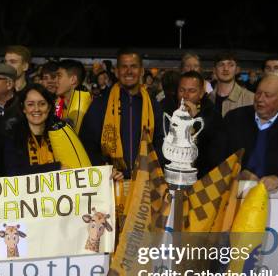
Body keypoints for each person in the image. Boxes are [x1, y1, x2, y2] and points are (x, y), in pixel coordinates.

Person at [210, 73, 278, 191]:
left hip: (277, 198)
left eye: (267, 95)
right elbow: (216, 156)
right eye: (258, 93)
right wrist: (238, 172)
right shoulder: (234, 118)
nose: (260, 99)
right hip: (233, 191)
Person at [79, 48, 164, 181]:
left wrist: (150, 169)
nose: (129, 71)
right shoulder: (100, 105)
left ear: (141, 71)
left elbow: (161, 143)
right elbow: (87, 145)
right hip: (111, 182)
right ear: (117, 72)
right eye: (124, 67)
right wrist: (104, 170)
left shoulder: (154, 106)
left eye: (133, 66)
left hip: (145, 182)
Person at [4, 84, 70, 176]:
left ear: (49, 107)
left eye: (42, 104)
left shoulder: (63, 132)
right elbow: (13, 173)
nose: (36, 109)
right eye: (30, 104)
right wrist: (55, 168)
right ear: (23, 108)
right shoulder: (13, 136)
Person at [174, 71, 222, 177]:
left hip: (201, 176)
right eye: (182, 90)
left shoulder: (211, 114)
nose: (185, 96)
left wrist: (195, 119)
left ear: (201, 93)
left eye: (192, 91)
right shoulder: (169, 110)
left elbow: (212, 151)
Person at [209, 52, 254, 117]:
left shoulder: (250, 99)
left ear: (237, 70)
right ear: (214, 70)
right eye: (221, 65)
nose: (226, 69)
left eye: (231, 65)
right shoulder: (208, 98)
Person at [55, 59, 90, 131]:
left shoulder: (90, 108)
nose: (55, 80)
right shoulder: (56, 104)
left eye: (59, 76)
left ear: (73, 79)